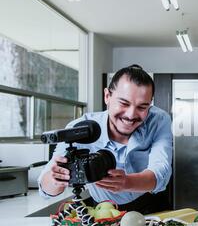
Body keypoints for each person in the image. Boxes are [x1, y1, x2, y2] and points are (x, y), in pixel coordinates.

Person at [38, 64, 173, 214]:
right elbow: (45, 189)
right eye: (124, 103)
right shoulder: (80, 128)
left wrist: (127, 182)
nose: (131, 115)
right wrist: (56, 179)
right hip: (104, 210)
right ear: (107, 96)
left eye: (142, 107)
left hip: (150, 204)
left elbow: (162, 172)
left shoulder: (159, 120)